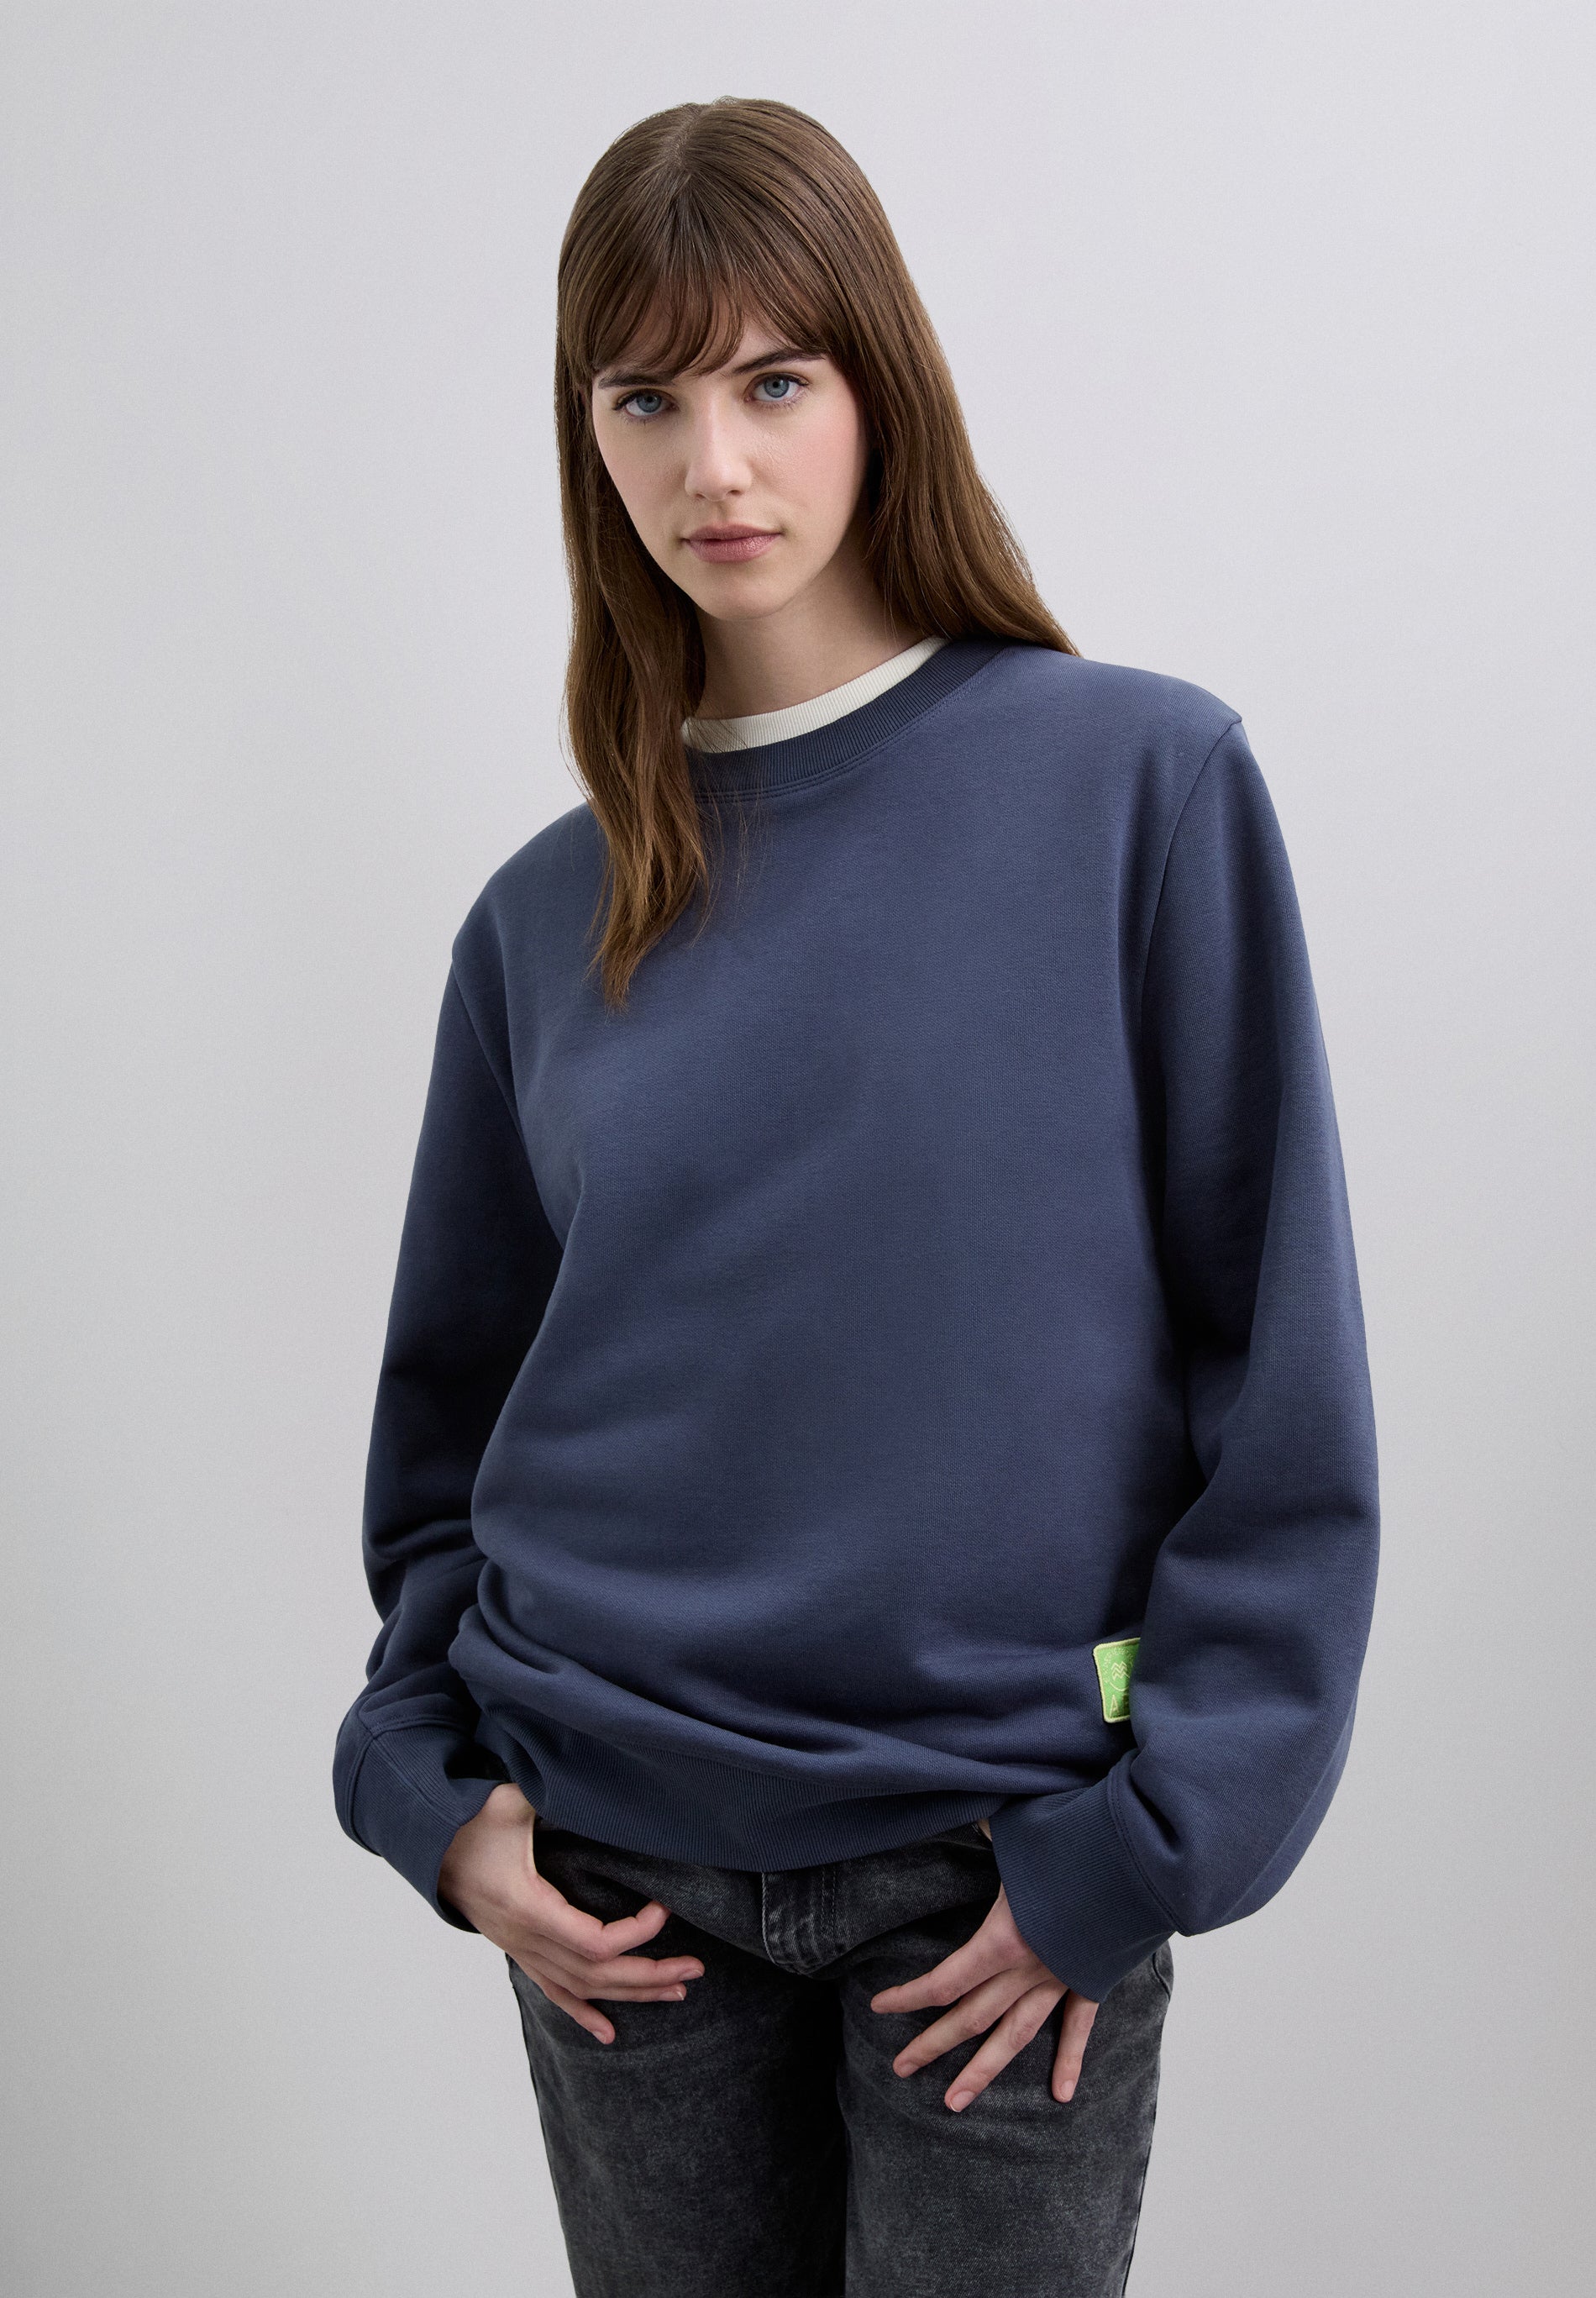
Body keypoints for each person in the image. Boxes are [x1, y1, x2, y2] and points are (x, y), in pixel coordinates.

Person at [332, 96, 1379, 2298]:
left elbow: (1279, 1388)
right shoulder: (542, 922)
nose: (714, 465)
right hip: (614, 1889)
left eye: (773, 381)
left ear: (878, 386)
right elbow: (450, 1432)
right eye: (646, 398)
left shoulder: (1140, 788)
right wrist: (432, 1793)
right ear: (585, 436)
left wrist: (1150, 1841)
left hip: (992, 1879)